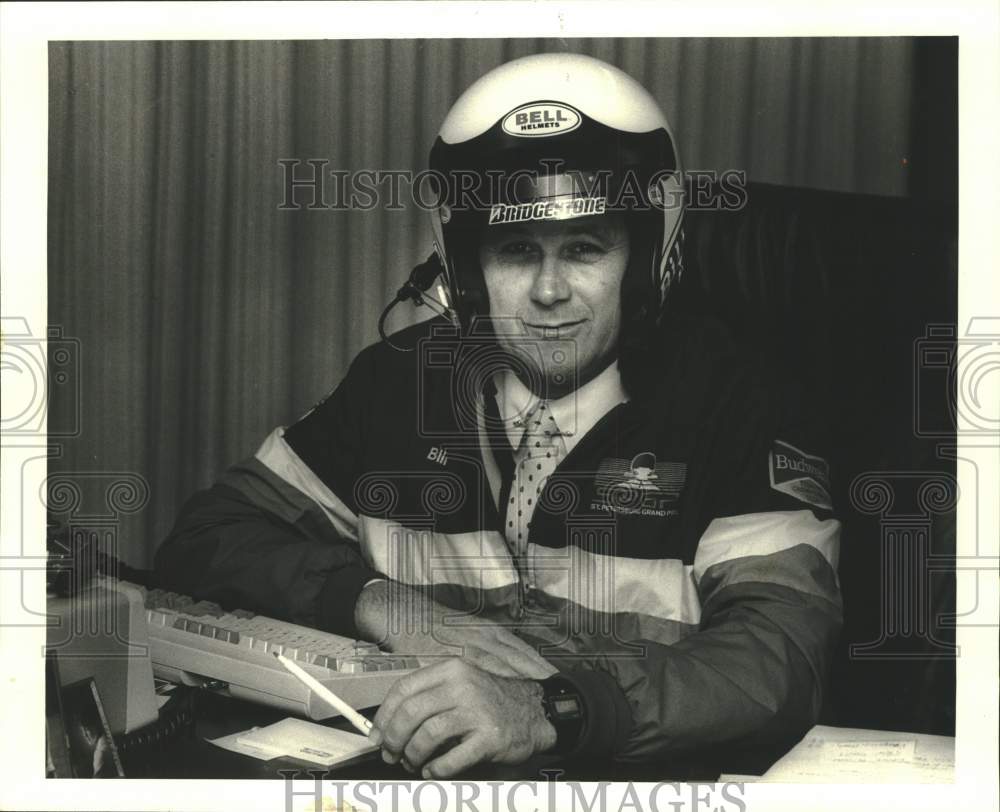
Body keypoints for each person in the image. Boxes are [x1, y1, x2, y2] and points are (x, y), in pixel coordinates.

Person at [155, 52, 842, 778]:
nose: (549, 290)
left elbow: (778, 660)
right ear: (465, 268)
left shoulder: (738, 403)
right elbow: (208, 536)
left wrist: (551, 710)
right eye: (516, 249)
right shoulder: (397, 381)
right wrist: (378, 602)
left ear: (643, 260)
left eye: (584, 248)